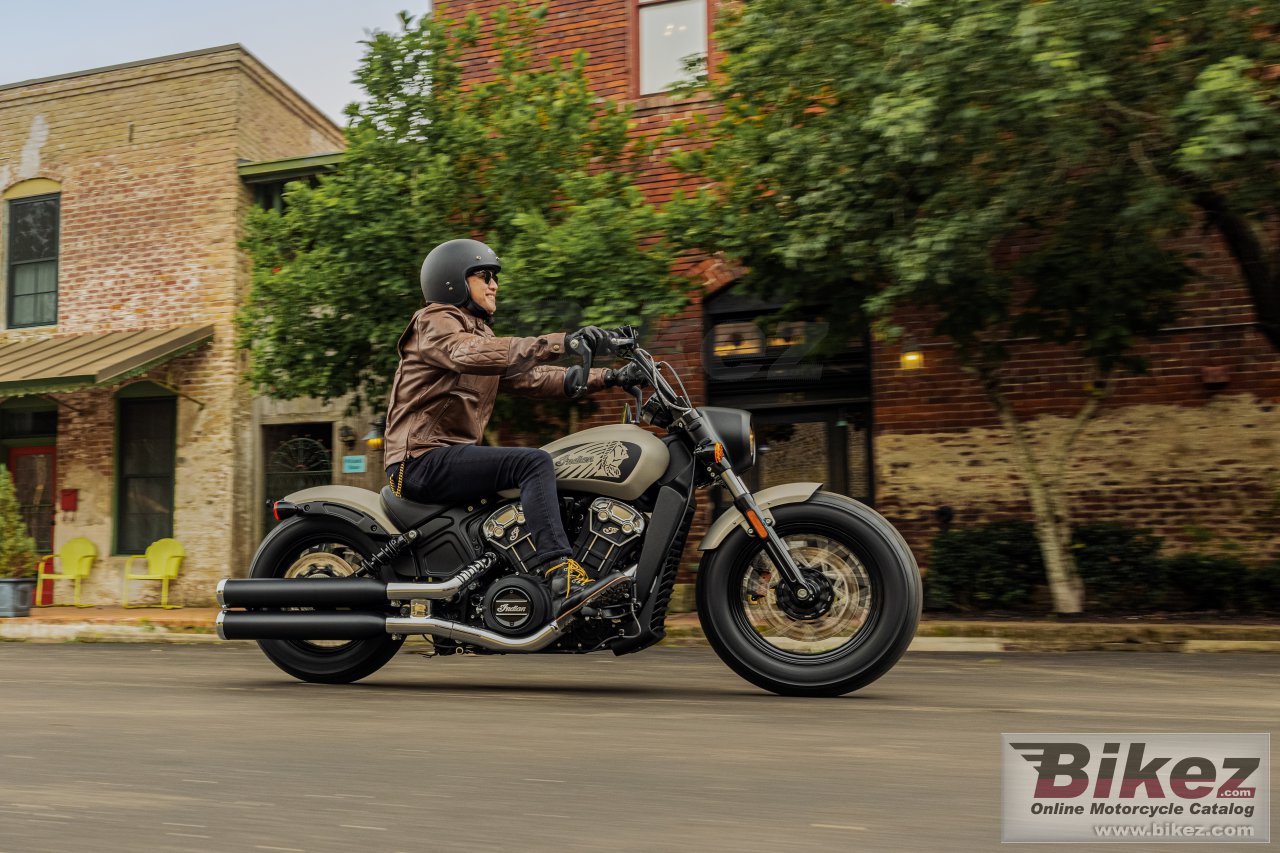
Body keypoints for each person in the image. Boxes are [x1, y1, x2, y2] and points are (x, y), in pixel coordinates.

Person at [383, 238, 639, 611]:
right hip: (420, 459)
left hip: (449, 457)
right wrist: (561, 341)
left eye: (494, 277)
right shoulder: (435, 321)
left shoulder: (480, 336)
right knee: (532, 462)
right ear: (453, 281)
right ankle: (560, 573)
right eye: (483, 276)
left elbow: (531, 379)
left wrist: (609, 377)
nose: (494, 284)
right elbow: (462, 352)